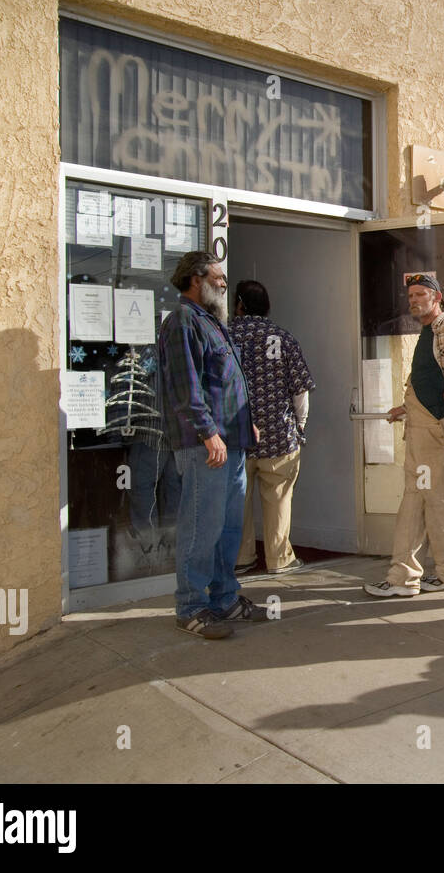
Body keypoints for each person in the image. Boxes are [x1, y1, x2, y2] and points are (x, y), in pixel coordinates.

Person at [158, 251, 268, 639]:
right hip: (206, 444)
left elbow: (225, 381)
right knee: (200, 527)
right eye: (217, 277)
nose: (224, 283)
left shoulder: (213, 322)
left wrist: (247, 423)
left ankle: (224, 599)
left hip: (232, 441)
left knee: (227, 528)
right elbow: (185, 387)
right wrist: (208, 432)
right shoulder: (182, 322)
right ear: (195, 279)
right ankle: (190, 606)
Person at [364, 273, 444, 597]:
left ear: (437, 298)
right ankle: (404, 577)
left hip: (439, 432)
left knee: (443, 502)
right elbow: (428, 380)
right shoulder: (428, 332)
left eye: (421, 294)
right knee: (417, 501)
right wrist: (405, 407)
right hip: (421, 430)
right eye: (410, 296)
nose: (414, 300)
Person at [229, 280, 316, 575]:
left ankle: (241, 558)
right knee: (278, 498)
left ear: (239, 304)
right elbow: (300, 390)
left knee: (238, 501)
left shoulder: (225, 336)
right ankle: (280, 558)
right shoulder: (282, 337)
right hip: (279, 436)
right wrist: (300, 425)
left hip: (235, 436)